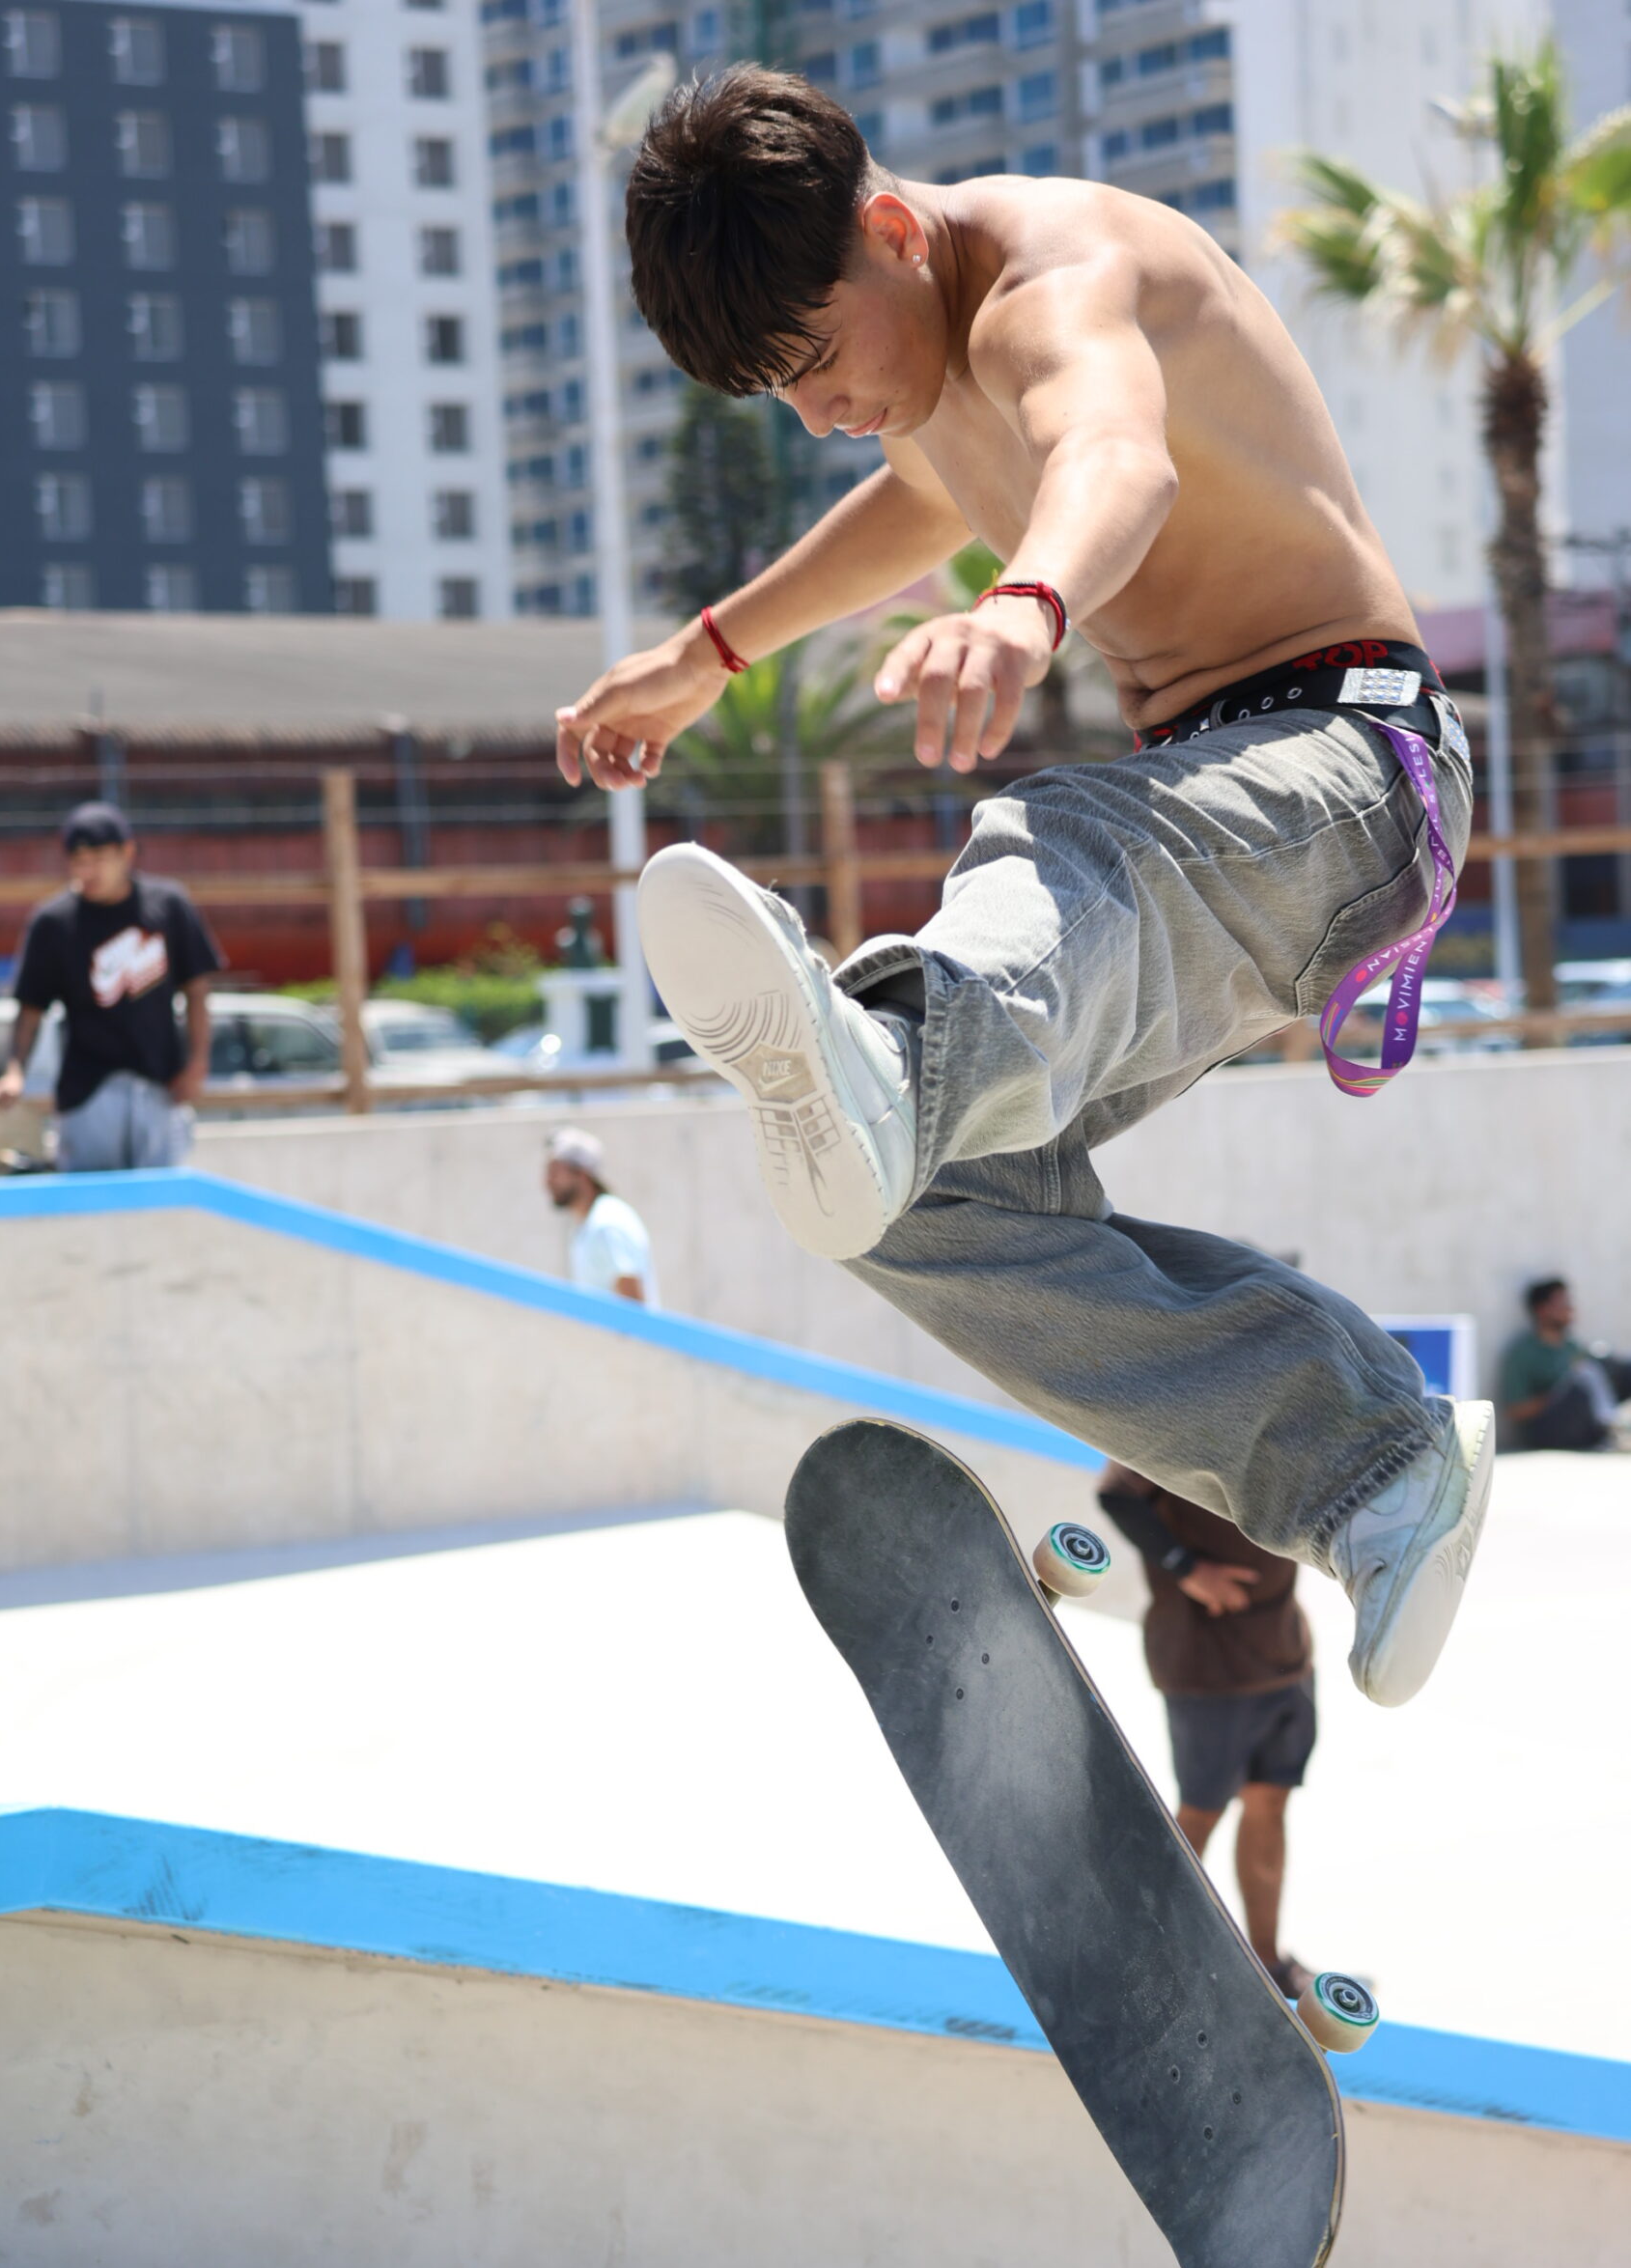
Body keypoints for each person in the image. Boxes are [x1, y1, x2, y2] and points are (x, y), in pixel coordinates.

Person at [555, 68, 1494, 1710]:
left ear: (893, 230)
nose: (817, 411)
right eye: (775, 393)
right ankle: (1369, 1462)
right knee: (915, 1197)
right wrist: (710, 653)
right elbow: (914, 499)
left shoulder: (1059, 283)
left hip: (1350, 767)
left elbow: (1112, 455)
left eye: (815, 360)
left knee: (1060, 836)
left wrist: (1028, 608)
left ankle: (897, 1046)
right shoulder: (926, 363)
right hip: (1242, 823)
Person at [1097, 1461, 1317, 2000]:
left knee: (1270, 1804)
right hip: (1205, 1664)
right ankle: (1138, 1962)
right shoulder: (1189, 1403)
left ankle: (1266, 1961)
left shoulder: (1295, 1406)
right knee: (1200, 1814)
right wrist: (1187, 1566)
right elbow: (1117, 1496)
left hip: (1283, 1653)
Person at [0, 802, 222, 1172]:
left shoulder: (168, 905)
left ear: (127, 852)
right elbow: (31, 1007)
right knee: (93, 1210)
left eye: (98, 857)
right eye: (77, 860)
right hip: (87, 1091)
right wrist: (16, 1072)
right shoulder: (54, 922)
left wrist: (198, 1063)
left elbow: (196, 990)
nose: (86, 870)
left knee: (162, 1207)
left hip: (160, 1085)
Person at [1499, 1277, 1631, 1452]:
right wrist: (1558, 1394)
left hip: (1582, 1424)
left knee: (1612, 1364)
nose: (1570, 1308)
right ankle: (1615, 1428)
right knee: (1585, 1376)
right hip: (1548, 1432)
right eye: (1562, 1303)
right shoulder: (1524, 1352)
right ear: (1542, 1309)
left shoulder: (1571, 1346)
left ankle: (1613, 1428)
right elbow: (1515, 1410)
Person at [545, 1127, 660, 1305]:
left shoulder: (606, 1224)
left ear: (581, 1174)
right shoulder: (590, 1224)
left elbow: (634, 1308)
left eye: (555, 1171)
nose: (548, 1180)